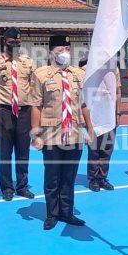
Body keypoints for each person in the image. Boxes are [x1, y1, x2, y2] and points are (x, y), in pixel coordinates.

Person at [30, 34, 94, 230]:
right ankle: (52, 214)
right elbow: (36, 106)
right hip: (51, 134)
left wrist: (90, 130)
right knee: (52, 176)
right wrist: (36, 135)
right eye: (60, 50)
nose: (64, 53)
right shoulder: (41, 75)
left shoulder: (79, 75)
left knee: (69, 176)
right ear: (51, 53)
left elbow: (83, 104)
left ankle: (67, 212)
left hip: (74, 133)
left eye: (67, 50)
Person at [0, 27, 35, 201]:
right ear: (3, 42)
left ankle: (22, 186)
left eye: (18, 42)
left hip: (25, 111)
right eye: (11, 42)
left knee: (23, 150)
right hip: (5, 111)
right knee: (5, 151)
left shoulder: (28, 62)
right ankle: (7, 187)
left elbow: (33, 86)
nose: (15, 44)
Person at [84, 59, 121, 192]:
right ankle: (93, 179)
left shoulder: (113, 70)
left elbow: (117, 92)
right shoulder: (87, 70)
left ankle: (102, 177)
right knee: (94, 149)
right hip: (94, 115)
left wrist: (117, 113)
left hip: (109, 115)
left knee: (107, 149)